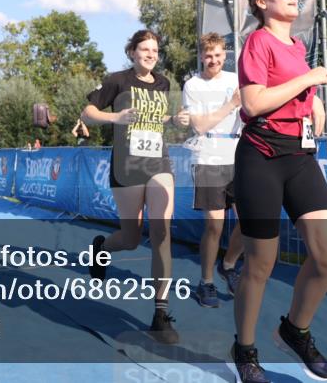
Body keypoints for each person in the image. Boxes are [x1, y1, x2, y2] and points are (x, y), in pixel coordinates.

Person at [230, 0, 327, 383]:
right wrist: (309, 80)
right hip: (260, 155)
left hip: (299, 156)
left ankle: (295, 330)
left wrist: (314, 110)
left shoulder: (298, 47)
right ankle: (245, 349)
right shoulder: (258, 42)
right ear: (261, 2)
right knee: (260, 264)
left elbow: (296, 98)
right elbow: (255, 102)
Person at [80, 29, 190, 344]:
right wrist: (116, 118)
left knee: (161, 231)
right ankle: (101, 249)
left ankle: (160, 313)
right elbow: (87, 112)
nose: (150, 54)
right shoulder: (117, 80)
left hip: (158, 163)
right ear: (132, 52)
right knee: (130, 238)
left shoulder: (164, 83)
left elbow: (157, 118)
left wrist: (173, 121)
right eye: (144, 49)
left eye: (155, 49)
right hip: (126, 167)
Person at [182, 32, 246, 308]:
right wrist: (230, 105)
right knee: (214, 225)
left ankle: (228, 264)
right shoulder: (192, 85)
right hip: (208, 156)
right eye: (209, 55)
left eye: (218, 55)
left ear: (225, 55)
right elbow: (200, 126)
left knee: (251, 220)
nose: (214, 60)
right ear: (201, 56)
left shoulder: (235, 80)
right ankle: (206, 282)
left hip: (239, 155)